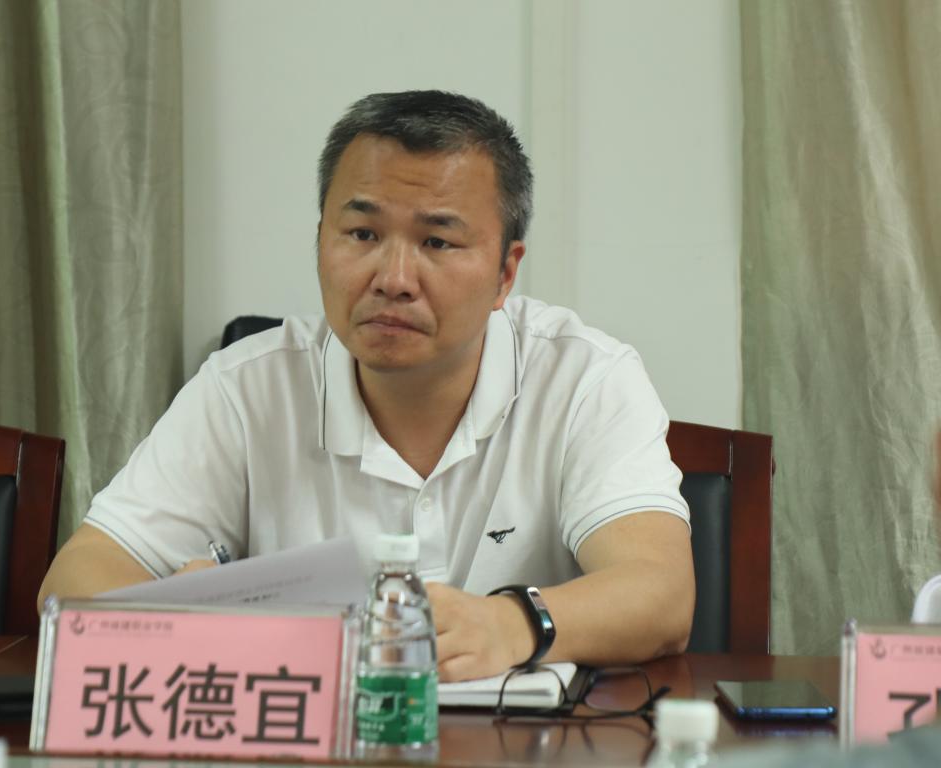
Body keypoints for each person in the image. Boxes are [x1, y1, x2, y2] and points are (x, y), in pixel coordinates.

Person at [39, 90, 695, 682]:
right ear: (320, 239)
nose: (393, 278)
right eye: (362, 234)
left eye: (437, 242)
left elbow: (661, 593)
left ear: (505, 273)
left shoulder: (584, 379)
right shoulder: (246, 388)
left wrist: (509, 625)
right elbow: (74, 583)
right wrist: (176, 623)